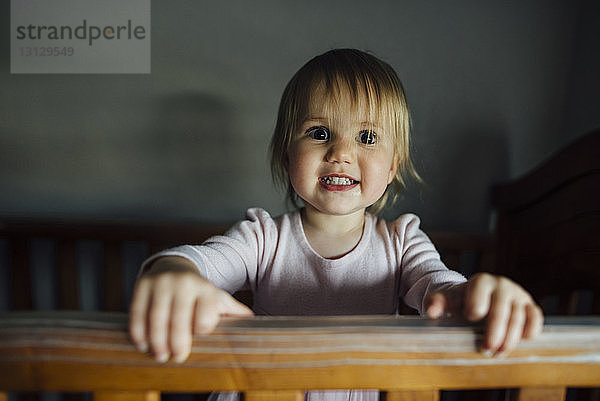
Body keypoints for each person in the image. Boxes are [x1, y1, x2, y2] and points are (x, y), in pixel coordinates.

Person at [129, 49, 543, 401]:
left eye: (366, 137)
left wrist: (470, 295)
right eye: (320, 132)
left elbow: (438, 286)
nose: (340, 153)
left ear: (393, 163)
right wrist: (174, 272)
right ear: (287, 156)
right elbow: (202, 262)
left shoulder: (401, 242)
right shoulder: (262, 238)